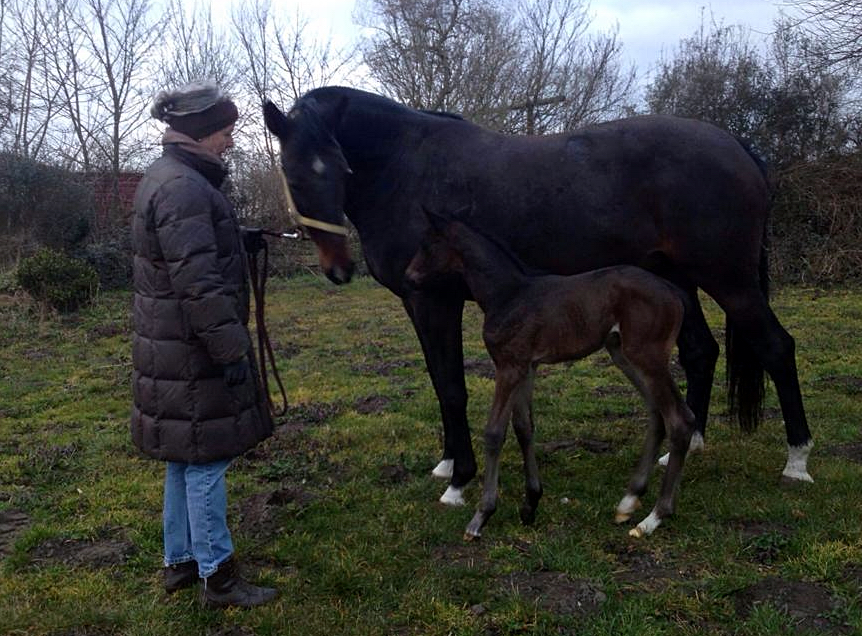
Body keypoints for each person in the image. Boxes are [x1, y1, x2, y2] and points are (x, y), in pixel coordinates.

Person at [130, 80, 276, 608]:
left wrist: (239, 239)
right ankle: (219, 576)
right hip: (193, 351)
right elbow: (198, 284)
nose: (230, 141)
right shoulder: (186, 188)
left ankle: (180, 562)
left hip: (173, 348)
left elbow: (188, 257)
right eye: (224, 132)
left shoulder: (166, 177)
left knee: (183, 458)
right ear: (199, 134)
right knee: (208, 461)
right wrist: (231, 351)